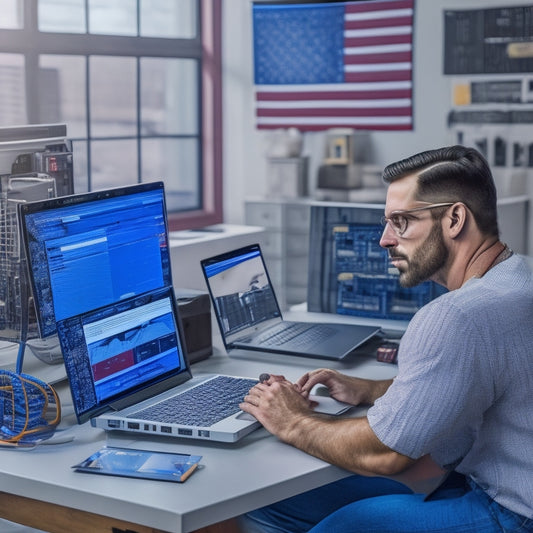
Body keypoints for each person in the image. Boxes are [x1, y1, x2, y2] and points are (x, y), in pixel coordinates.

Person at [238, 145, 533, 532]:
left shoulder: (458, 316)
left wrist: (291, 419)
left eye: (401, 222)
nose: (385, 240)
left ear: (455, 218)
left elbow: (386, 453)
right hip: (489, 484)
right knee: (277, 502)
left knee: (340, 525)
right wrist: (373, 390)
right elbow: (476, 377)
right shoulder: (519, 276)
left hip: (511, 513)